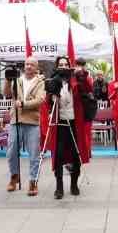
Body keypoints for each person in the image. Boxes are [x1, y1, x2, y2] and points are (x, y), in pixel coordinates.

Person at [46, 57, 82, 199]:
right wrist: (52, 97)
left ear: (69, 66)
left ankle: (74, 183)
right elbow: (47, 101)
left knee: (75, 154)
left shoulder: (75, 80)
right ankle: (59, 186)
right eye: (60, 65)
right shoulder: (53, 80)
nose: (63, 67)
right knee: (59, 156)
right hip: (59, 123)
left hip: (74, 122)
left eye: (65, 64)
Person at [8, 60, 45, 194]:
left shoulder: (40, 82)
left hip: (32, 121)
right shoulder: (17, 80)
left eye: (32, 64)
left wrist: (24, 104)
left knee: (34, 153)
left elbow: (40, 100)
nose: (28, 66)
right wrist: (8, 80)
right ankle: (14, 176)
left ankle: (33, 181)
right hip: (15, 120)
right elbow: (7, 93)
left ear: (36, 67)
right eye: (27, 64)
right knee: (11, 151)